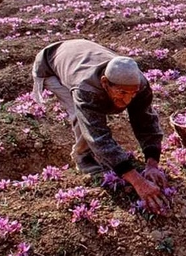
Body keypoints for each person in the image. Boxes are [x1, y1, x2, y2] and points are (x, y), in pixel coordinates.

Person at [32, 39, 169, 213]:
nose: (127, 100)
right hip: (50, 64)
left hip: (82, 54)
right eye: (121, 92)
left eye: (132, 93)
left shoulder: (139, 84)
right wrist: (137, 181)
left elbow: (146, 121)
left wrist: (152, 164)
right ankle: (83, 159)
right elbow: (97, 135)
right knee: (79, 114)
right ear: (105, 82)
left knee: (121, 105)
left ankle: (105, 159)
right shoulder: (86, 87)